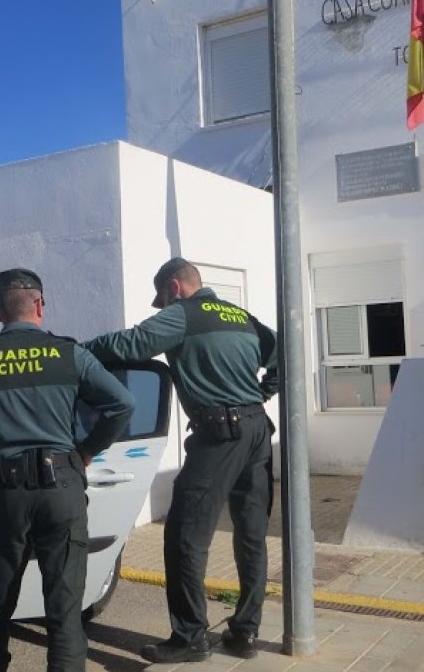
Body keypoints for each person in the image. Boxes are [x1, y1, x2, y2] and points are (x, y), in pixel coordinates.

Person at [0, 268, 135, 672]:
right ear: (40, 305)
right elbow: (123, 404)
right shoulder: (69, 354)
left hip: (5, 494)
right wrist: (87, 450)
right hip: (61, 488)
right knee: (64, 607)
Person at [83, 257, 278, 663]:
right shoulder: (241, 317)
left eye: (163, 298)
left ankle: (190, 637)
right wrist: (262, 393)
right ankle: (245, 633)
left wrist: (78, 352)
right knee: (251, 535)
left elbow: (130, 344)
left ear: (174, 286)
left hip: (219, 435)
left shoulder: (183, 314)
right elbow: (283, 352)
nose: (163, 306)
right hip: (257, 431)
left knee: (185, 535)